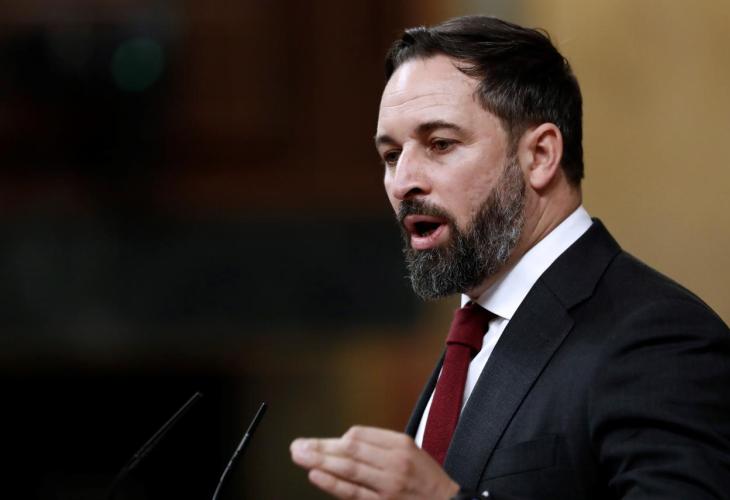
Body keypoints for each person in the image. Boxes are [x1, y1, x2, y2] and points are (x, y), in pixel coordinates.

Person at [290, 15, 730, 500]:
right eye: (391, 156)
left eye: (440, 144)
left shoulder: (659, 339)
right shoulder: (474, 334)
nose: (403, 182)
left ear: (540, 155)